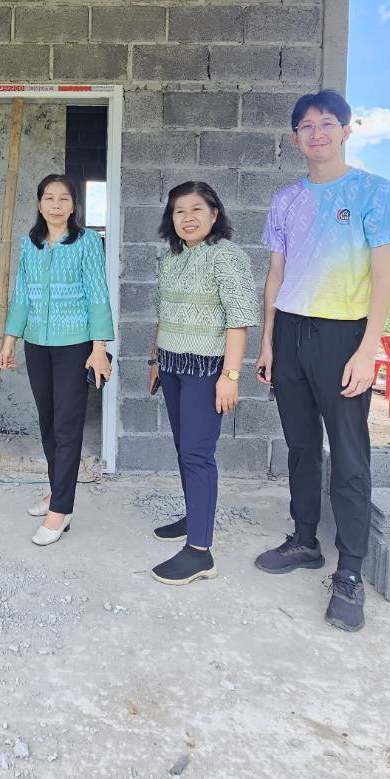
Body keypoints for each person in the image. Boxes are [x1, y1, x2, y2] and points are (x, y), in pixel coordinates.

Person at [253, 89, 390, 632]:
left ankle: (349, 569)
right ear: (294, 137)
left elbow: (384, 279)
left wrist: (369, 350)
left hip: (344, 335)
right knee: (301, 446)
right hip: (290, 332)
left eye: (327, 123)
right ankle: (305, 539)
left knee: (348, 452)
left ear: (347, 130)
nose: (316, 133)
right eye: (306, 126)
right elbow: (275, 275)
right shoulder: (285, 200)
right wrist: (269, 342)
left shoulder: (374, 192)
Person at [147, 181, 259, 586]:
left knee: (197, 454)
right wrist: (155, 359)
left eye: (197, 209)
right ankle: (195, 517)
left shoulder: (227, 256)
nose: (187, 217)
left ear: (214, 214)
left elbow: (239, 320)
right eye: (179, 211)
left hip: (207, 371)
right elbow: (162, 314)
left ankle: (199, 552)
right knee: (184, 450)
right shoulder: (171, 258)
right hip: (173, 366)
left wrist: (230, 376)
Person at [0, 175, 114, 546]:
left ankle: (61, 511)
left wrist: (99, 347)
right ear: (39, 204)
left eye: (64, 198)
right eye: (49, 198)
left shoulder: (87, 242)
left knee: (67, 426)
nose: (57, 205)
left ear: (74, 205)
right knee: (47, 422)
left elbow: (97, 293)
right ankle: (55, 490)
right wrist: (9, 341)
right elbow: (21, 295)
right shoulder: (29, 244)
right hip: (37, 344)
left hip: (75, 346)